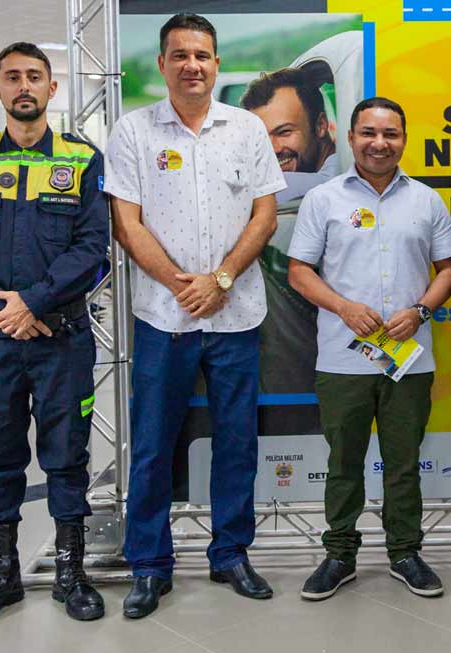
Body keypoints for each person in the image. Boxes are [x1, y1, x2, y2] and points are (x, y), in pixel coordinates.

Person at [104, 12, 286, 619]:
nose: (192, 65)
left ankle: (231, 552)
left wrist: (222, 279)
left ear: (216, 64)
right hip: (164, 317)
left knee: (237, 441)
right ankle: (150, 565)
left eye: (202, 55)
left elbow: (265, 214)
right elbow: (126, 222)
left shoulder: (247, 129)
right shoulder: (131, 132)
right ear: (162, 65)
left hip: (236, 316)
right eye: (179, 55)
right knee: (154, 445)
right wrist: (183, 286)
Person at [0, 41, 108, 627]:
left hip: (61, 336)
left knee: (67, 455)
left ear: (52, 89)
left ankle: (70, 571)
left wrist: (32, 301)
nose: (24, 85)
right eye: (12, 77)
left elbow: (93, 246)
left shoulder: (82, 159)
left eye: (35, 76)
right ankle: (2, 574)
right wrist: (2, 308)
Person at [288, 97, 451, 600]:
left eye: (390, 134)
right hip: (344, 356)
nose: (379, 143)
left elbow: (449, 269)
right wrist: (342, 307)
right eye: (368, 133)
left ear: (404, 139)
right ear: (351, 137)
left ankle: (405, 552)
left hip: (410, 357)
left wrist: (422, 310)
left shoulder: (427, 201)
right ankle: (339, 554)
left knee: (403, 461)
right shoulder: (324, 199)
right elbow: (299, 271)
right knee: (344, 460)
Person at [241, 67, 339, 203]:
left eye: (284, 132)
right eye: (260, 138)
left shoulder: (345, 173)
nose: (273, 149)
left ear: (320, 126)